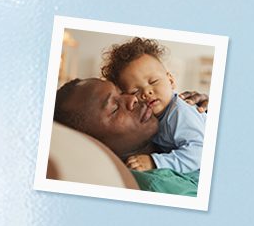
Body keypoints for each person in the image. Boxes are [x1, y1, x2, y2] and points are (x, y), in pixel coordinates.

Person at [53, 78, 199, 197]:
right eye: (115, 109)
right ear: (95, 143)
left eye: (122, 92)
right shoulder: (162, 187)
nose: (132, 98)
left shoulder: (173, 130)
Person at [100, 37, 205, 175]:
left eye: (154, 81)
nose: (146, 92)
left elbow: (200, 152)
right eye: (135, 91)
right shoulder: (149, 120)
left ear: (171, 80)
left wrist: (155, 162)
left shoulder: (180, 112)